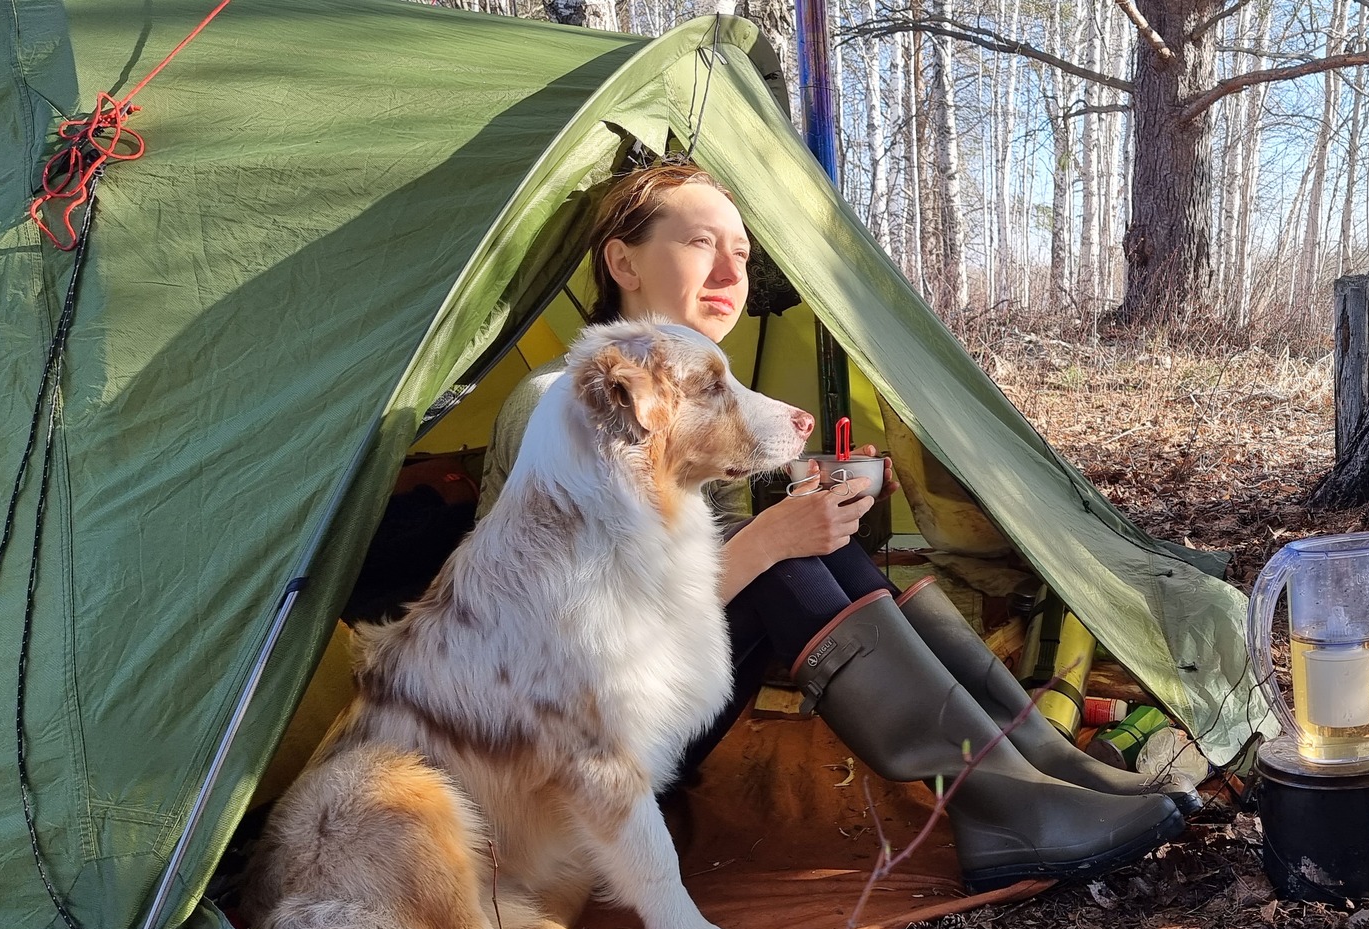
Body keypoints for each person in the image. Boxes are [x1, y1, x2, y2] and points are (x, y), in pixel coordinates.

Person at [480, 164, 1187, 891]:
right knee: (782, 556)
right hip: (559, 767)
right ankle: (1003, 801)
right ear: (622, 261)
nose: (730, 270)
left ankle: (1037, 765)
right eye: (700, 243)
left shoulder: (694, 411)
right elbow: (578, 641)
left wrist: (811, 514)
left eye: (744, 253)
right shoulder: (567, 404)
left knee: (813, 547)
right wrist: (772, 541)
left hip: (643, 725)